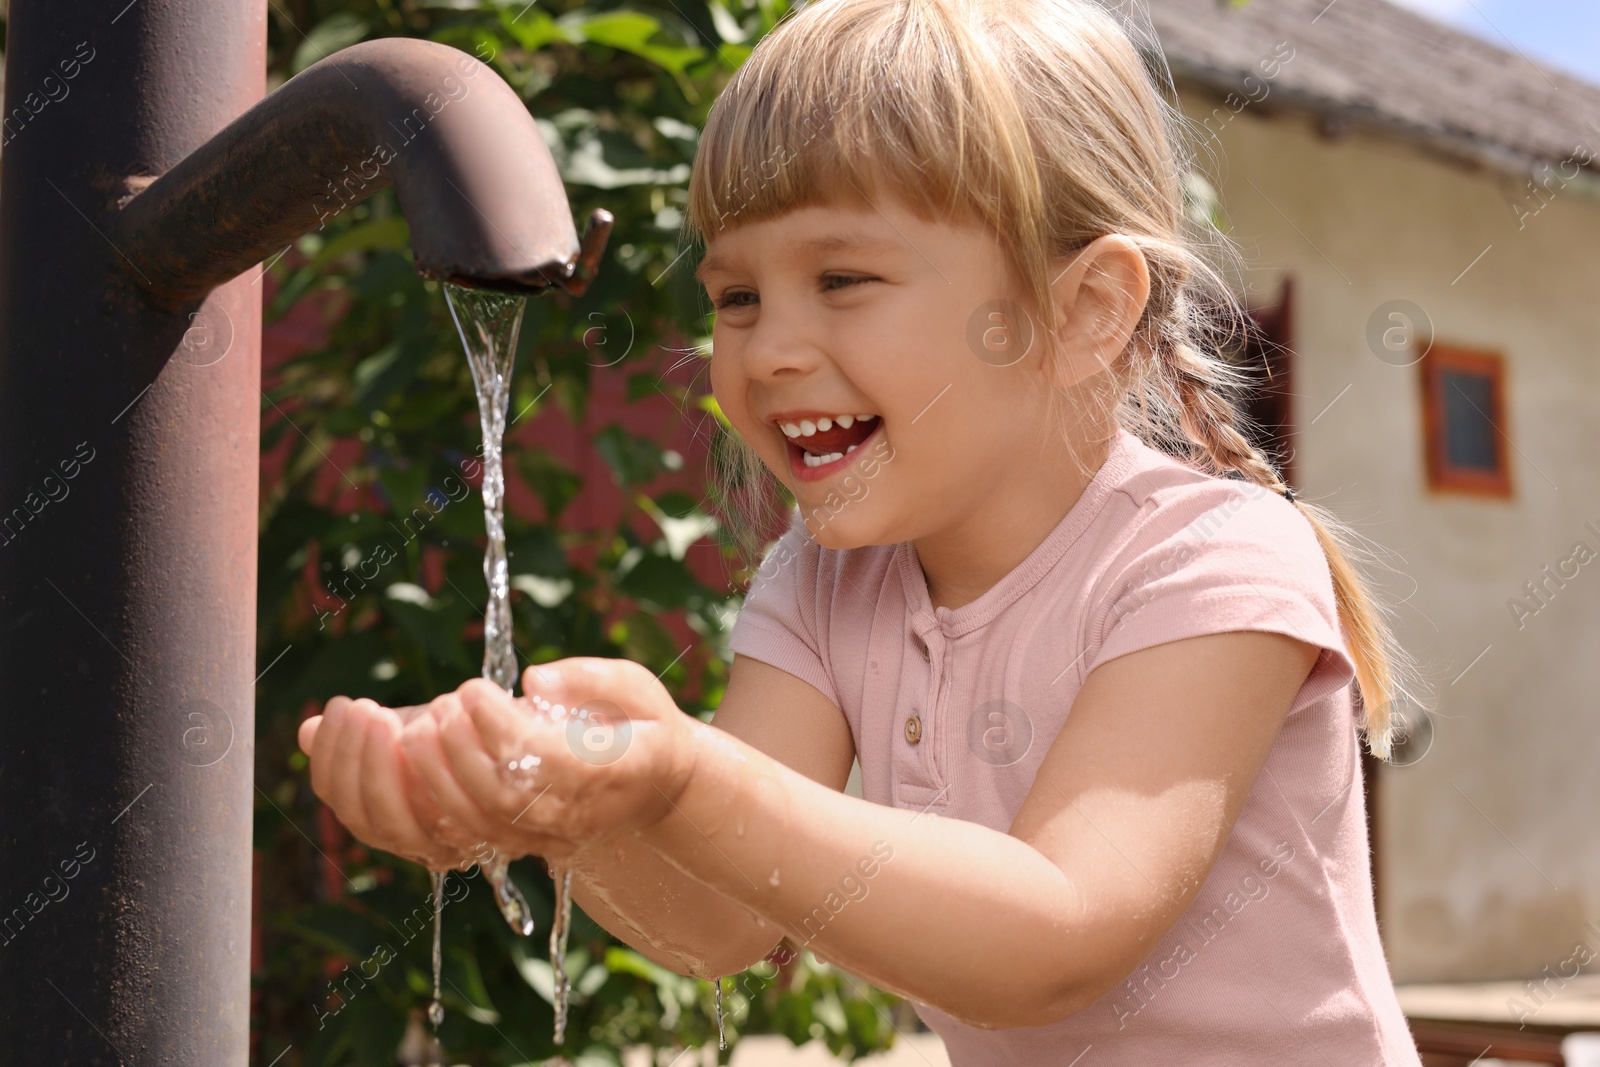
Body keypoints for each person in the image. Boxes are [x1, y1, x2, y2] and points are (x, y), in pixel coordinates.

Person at [299, 0, 1432, 1060]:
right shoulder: (824, 583)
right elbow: (720, 922)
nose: (767, 347)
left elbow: (1054, 932)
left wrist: (683, 774)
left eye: (841, 277)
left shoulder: (1209, 560)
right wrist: (565, 808)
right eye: (734, 295)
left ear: (1084, 308)